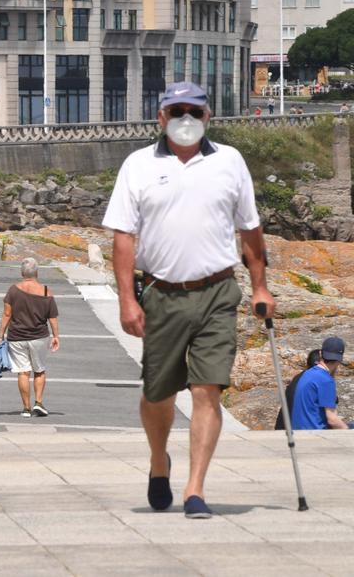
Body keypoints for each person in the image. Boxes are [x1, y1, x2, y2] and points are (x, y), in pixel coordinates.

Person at [104, 81, 273, 520]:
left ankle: (195, 488)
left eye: (194, 111)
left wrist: (259, 286)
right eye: (176, 110)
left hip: (217, 291)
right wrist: (128, 300)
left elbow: (250, 229)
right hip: (161, 293)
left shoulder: (230, 162)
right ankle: (159, 461)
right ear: (160, 117)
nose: (185, 119)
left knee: (207, 389)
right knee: (157, 393)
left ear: (207, 117)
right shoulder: (138, 165)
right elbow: (123, 236)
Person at [0, 258, 60, 418]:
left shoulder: (13, 290)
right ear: (37, 272)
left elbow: (7, 314)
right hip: (39, 337)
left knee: (23, 372)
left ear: (22, 272)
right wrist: (56, 335)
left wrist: (1, 333)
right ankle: (38, 402)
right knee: (39, 370)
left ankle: (26, 408)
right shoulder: (46, 291)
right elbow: (52, 317)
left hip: (17, 336)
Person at [290, 337, 351, 430]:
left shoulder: (308, 373)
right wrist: (348, 433)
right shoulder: (326, 380)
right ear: (339, 360)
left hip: (298, 432)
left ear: (320, 353)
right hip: (315, 435)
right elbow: (332, 420)